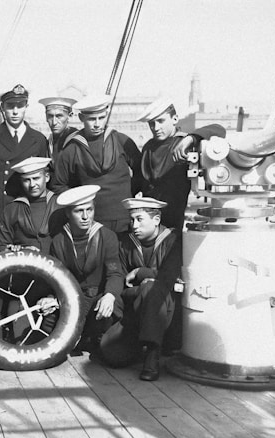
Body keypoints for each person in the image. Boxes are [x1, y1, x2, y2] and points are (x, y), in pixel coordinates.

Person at [39, 185, 124, 357]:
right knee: (48, 322)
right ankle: (82, 338)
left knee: (107, 315)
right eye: (79, 211)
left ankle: (92, 339)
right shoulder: (59, 241)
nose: (86, 216)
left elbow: (115, 273)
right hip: (73, 298)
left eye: (90, 210)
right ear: (68, 214)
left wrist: (110, 295)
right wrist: (51, 298)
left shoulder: (106, 236)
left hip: (98, 299)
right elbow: (57, 277)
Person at [53, 96, 143, 233]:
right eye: (91, 119)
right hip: (93, 223)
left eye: (101, 118)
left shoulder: (122, 141)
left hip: (126, 218)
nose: (97, 124)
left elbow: (142, 171)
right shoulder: (71, 149)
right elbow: (58, 184)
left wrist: (129, 192)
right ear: (81, 118)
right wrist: (80, 200)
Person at [115, 197, 182, 381]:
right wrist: (145, 283)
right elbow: (120, 280)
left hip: (165, 305)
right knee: (111, 356)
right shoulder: (124, 242)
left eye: (139, 219)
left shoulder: (173, 240)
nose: (134, 225)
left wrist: (140, 272)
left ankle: (152, 354)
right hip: (133, 304)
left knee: (152, 288)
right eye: (132, 220)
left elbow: (168, 277)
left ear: (156, 220)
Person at [137, 96, 226, 231]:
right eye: (151, 123)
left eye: (161, 121)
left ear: (174, 119)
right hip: (149, 216)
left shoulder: (185, 143)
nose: (156, 127)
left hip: (173, 217)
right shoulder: (148, 147)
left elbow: (219, 129)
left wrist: (191, 138)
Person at [0, 84, 48, 234]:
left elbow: (44, 179)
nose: (15, 111)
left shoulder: (39, 139)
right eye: (10, 106)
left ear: (26, 106)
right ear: (2, 107)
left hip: (28, 212)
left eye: (20, 105)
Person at [0, 157, 63, 254]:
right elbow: (0, 246)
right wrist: (16, 250)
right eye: (26, 180)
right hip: (25, 266)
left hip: (56, 266)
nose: (32, 184)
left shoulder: (60, 204)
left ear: (47, 177)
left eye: (36, 178)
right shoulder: (12, 209)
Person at [38, 96, 78, 163]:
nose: (54, 122)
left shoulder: (76, 140)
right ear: (46, 117)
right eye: (50, 116)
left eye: (59, 116)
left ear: (70, 116)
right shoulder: (48, 141)